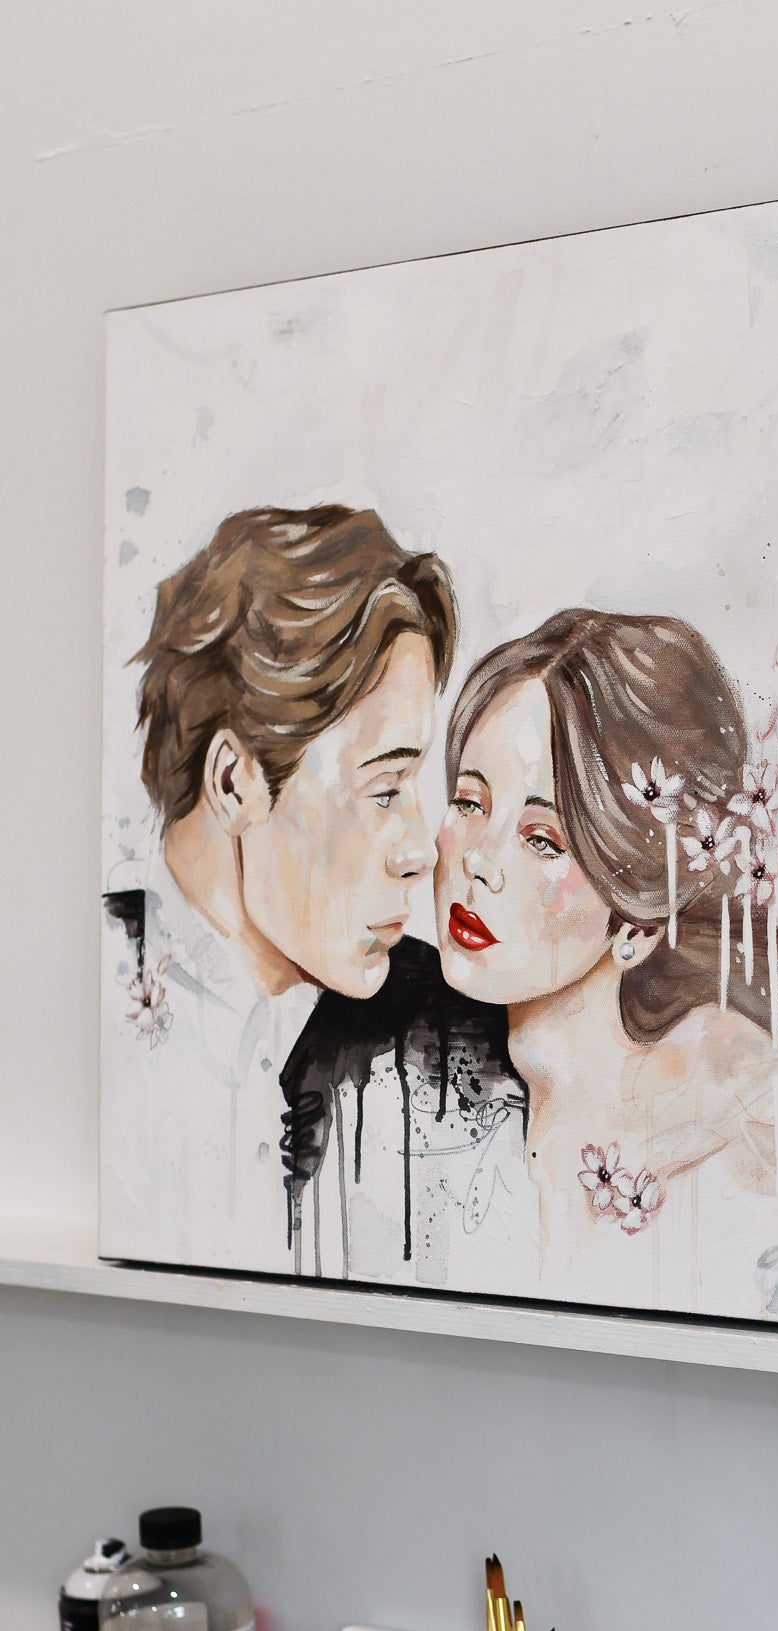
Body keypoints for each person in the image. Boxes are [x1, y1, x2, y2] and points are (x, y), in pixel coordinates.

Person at [102, 505, 518, 1278]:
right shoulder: (90, 993)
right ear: (235, 782)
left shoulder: (460, 1034)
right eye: (385, 788)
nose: (421, 851)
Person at [432, 607, 778, 1315]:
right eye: (470, 802)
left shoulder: (753, 1117)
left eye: (542, 839)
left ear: (639, 918)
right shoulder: (418, 1054)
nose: (477, 861)